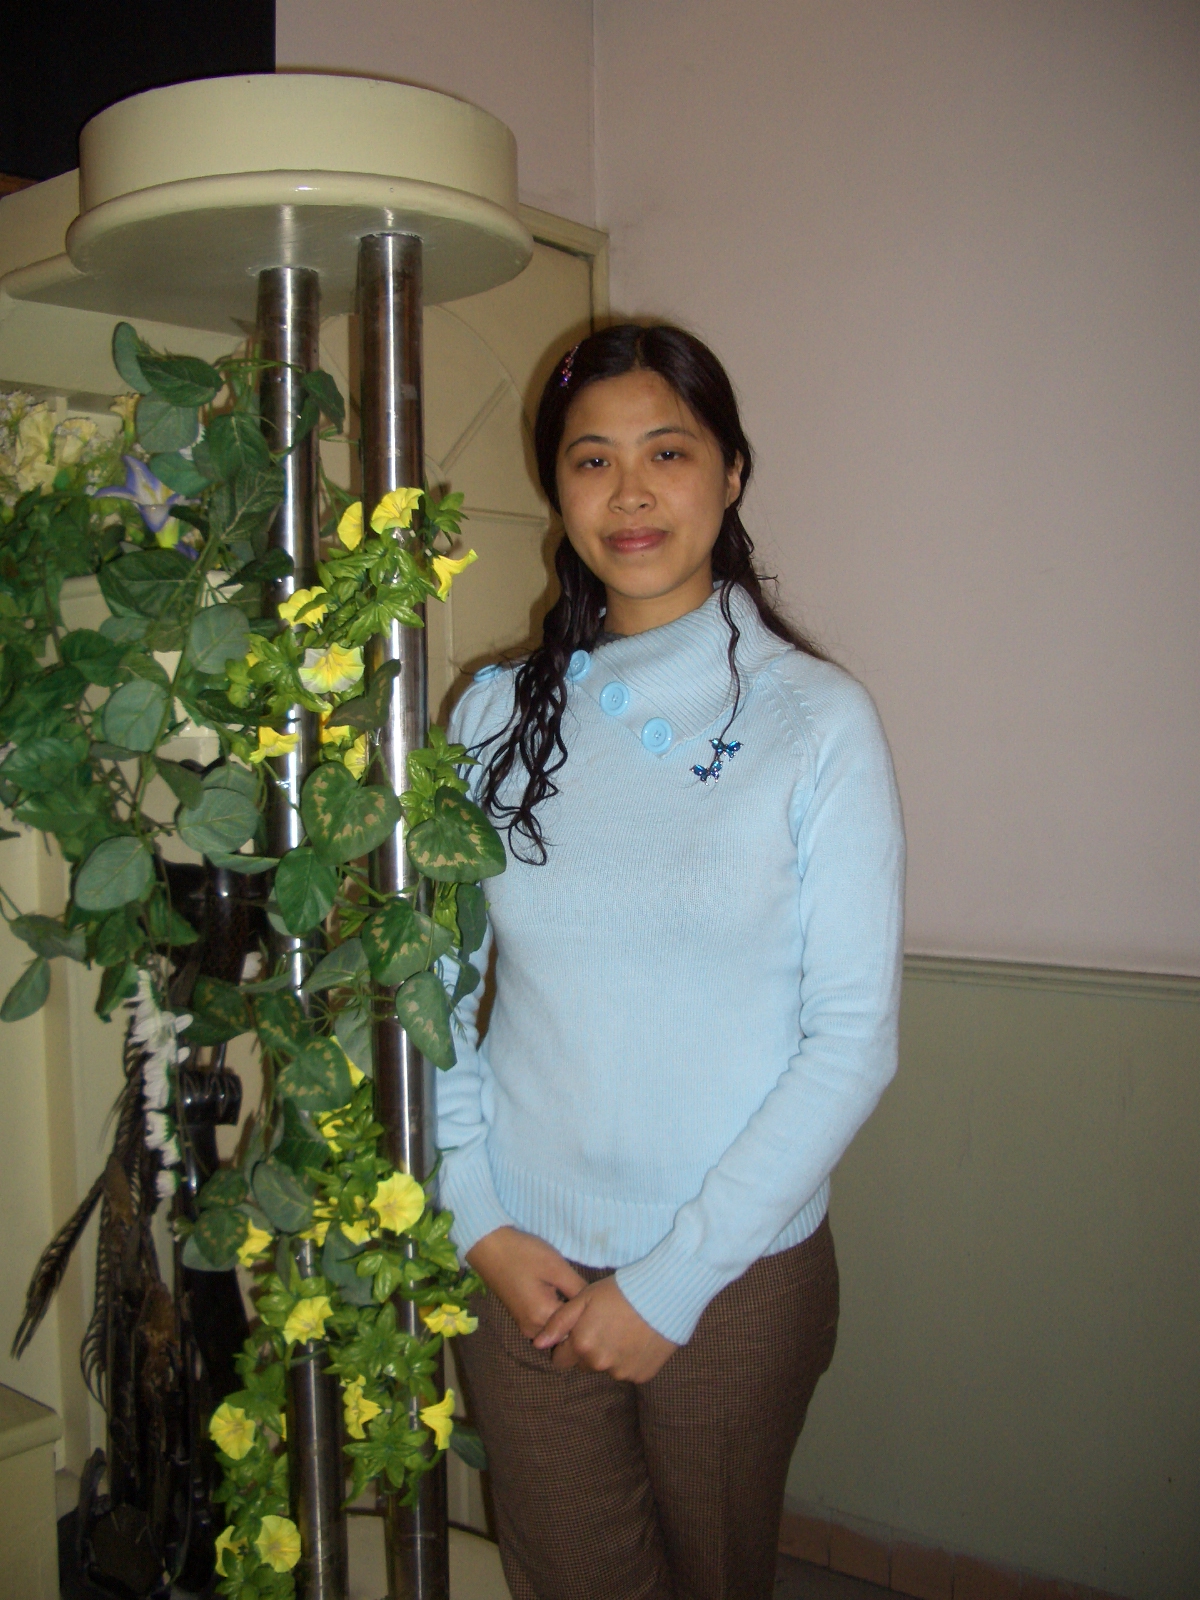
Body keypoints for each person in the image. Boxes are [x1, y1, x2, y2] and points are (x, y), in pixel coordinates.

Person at [437, 323, 905, 1600]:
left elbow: (854, 1038)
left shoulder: (816, 722)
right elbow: (429, 996)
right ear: (557, 488)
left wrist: (671, 1282)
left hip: (735, 1273)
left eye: (669, 452)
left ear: (732, 472)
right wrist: (475, 1219)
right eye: (592, 459)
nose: (630, 492)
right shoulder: (492, 714)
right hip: (520, 1260)